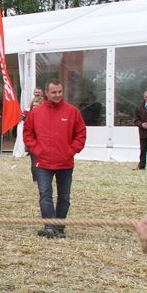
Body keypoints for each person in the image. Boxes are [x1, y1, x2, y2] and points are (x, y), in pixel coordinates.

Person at [22, 79, 87, 239]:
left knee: (64, 197)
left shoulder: (72, 112)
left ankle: (59, 227)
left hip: (65, 162)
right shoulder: (36, 112)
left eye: (60, 91)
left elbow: (81, 133)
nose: (57, 95)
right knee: (45, 195)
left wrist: (71, 150)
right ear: (46, 93)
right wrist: (37, 150)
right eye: (54, 92)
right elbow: (27, 133)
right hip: (43, 162)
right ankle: (50, 226)